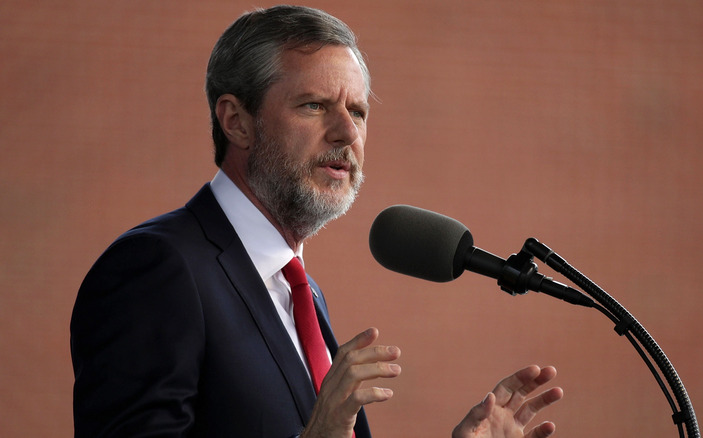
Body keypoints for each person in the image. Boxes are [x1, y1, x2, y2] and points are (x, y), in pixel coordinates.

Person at [70, 5, 563, 438]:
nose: (347, 131)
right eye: (314, 105)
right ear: (236, 121)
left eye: (358, 111)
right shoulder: (157, 268)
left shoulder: (299, 291)